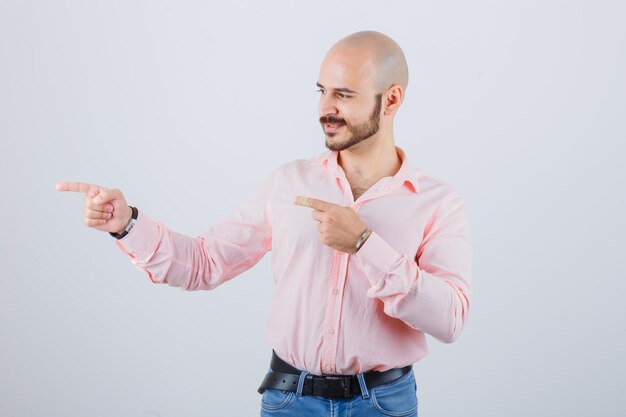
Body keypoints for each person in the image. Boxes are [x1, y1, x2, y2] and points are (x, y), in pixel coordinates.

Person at [56, 30, 472, 417]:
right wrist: (126, 223)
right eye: (322, 91)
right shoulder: (288, 183)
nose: (326, 109)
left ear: (392, 100)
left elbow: (449, 319)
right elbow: (205, 263)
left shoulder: (438, 203)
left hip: (384, 404)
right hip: (289, 400)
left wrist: (365, 244)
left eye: (344, 95)